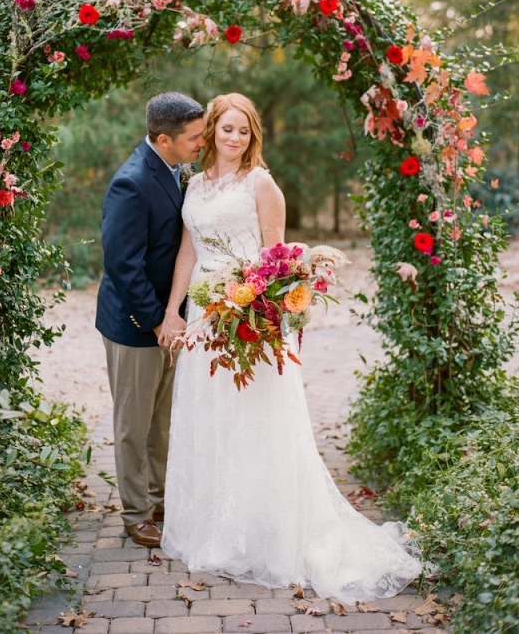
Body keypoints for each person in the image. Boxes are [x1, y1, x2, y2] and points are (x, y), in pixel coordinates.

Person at [158, 92, 423, 602]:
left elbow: (268, 264)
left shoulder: (262, 184)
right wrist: (175, 313)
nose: (233, 138)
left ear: (252, 135)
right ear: (211, 130)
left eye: (243, 130)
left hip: (245, 315)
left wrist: (221, 309)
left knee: (253, 420)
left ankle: (265, 534)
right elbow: (188, 251)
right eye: (226, 129)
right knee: (210, 418)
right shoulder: (194, 182)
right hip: (198, 317)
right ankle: (214, 529)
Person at [95, 92, 205, 547]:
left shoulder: (175, 170)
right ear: (165, 139)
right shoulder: (132, 182)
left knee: (161, 420)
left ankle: (160, 500)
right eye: (195, 138)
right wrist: (159, 320)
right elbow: (123, 265)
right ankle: (136, 513)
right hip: (135, 323)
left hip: (168, 320)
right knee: (133, 425)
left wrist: (176, 315)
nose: (203, 143)